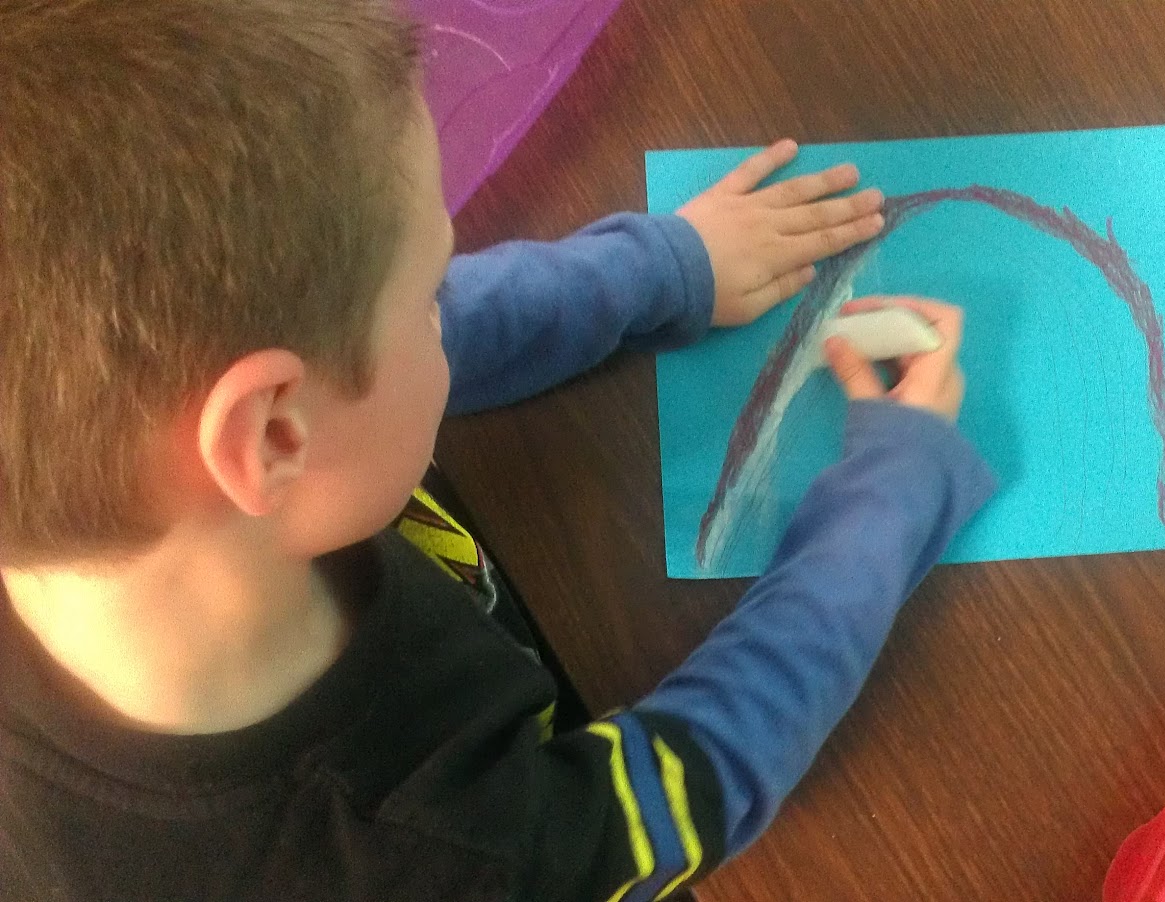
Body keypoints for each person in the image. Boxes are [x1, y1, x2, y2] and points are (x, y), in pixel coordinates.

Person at [0, 1, 995, 899]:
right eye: (428, 289)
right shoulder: (448, 852)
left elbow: (356, 349)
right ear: (272, 434)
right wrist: (895, 490)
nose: (451, 303)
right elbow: (693, 780)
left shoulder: (92, 465)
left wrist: (661, 269)